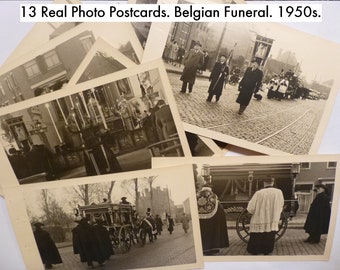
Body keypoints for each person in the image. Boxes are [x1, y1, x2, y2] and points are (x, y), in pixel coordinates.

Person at [246, 177, 284, 255]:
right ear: (272, 183)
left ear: (264, 183)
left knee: (257, 235)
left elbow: (251, 208)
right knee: (269, 234)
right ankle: (267, 250)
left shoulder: (259, 193)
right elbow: (281, 205)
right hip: (272, 219)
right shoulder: (279, 192)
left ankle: (255, 250)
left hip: (259, 219)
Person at [197, 185, 229, 255]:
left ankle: (203, 248)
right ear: (210, 189)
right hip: (213, 219)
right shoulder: (213, 196)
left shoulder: (197, 196)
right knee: (213, 232)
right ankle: (213, 247)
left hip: (200, 220)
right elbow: (220, 209)